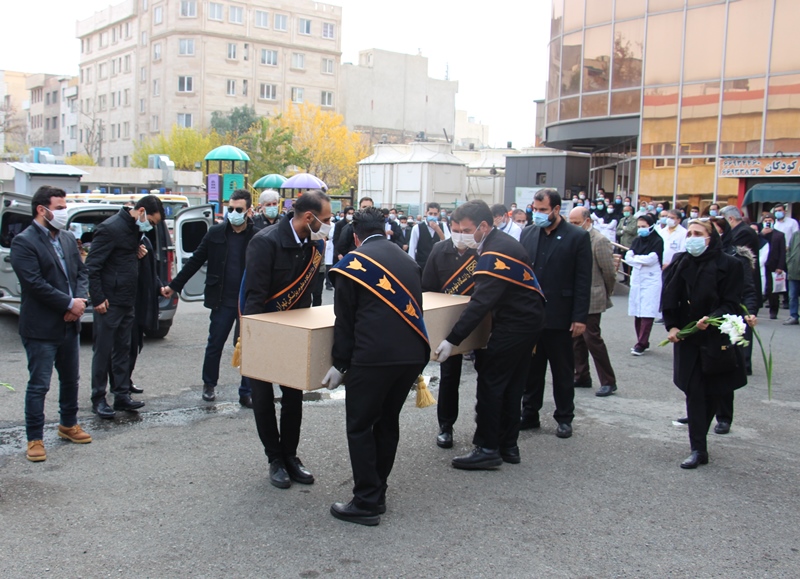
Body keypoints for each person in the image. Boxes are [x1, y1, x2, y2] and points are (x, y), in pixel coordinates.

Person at [322, 207, 429, 526]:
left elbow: (345, 322)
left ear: (355, 236)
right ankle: (377, 491)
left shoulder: (352, 265)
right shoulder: (407, 261)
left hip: (372, 359)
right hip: (411, 356)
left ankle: (366, 501)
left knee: (360, 426)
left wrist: (340, 364)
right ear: (387, 231)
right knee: (387, 423)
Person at [435, 200, 545, 468]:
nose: (462, 234)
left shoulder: (494, 254)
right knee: (511, 385)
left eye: (466, 229)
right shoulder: (501, 243)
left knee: (491, 384)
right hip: (528, 322)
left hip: (514, 325)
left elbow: (480, 303)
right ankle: (508, 445)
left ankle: (486, 448)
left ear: (484, 226)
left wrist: (452, 339)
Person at [243, 189, 331, 489]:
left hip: (296, 332)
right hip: (264, 332)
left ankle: (291, 455)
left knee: (294, 397)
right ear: (309, 217)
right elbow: (253, 296)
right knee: (264, 399)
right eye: (326, 219)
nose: (329, 224)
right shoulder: (265, 242)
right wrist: (252, 339)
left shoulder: (314, 245)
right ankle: (275, 459)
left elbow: (312, 293)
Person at [10, 186, 92, 461]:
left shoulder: (68, 238)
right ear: (41, 210)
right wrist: (69, 305)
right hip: (41, 328)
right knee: (39, 385)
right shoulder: (24, 241)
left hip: (70, 324)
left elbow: (82, 272)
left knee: (70, 379)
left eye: (64, 206)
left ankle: (68, 424)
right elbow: (34, 284)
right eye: (59, 207)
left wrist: (79, 301)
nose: (63, 212)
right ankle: (34, 438)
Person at [662, 219, 746, 469]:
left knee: (712, 391)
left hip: (715, 337)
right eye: (689, 233)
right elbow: (670, 296)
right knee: (694, 390)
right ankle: (698, 448)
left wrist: (712, 319)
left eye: (698, 233)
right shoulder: (682, 261)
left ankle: (700, 443)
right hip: (689, 337)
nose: (692, 238)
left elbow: (732, 301)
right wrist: (673, 326)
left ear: (711, 238)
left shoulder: (730, 265)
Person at [162, 189, 255, 407]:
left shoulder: (258, 236)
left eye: (238, 209)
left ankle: (246, 391)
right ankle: (209, 384)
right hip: (221, 299)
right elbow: (194, 261)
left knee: (249, 347)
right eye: (230, 209)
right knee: (215, 344)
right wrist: (174, 286)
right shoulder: (215, 233)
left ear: (249, 211)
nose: (233, 213)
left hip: (248, 302)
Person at [518, 189, 591, 438]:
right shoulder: (527, 234)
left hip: (561, 316)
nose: (537, 214)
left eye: (542, 210)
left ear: (556, 210)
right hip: (531, 315)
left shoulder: (577, 237)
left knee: (562, 369)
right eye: (534, 210)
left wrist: (580, 317)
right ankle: (529, 413)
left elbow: (583, 280)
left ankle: (564, 417)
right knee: (532, 369)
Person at [86, 195, 163, 418]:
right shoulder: (110, 228)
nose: (151, 227)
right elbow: (93, 266)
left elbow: (124, 259)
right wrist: (98, 298)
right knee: (103, 352)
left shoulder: (135, 231)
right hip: (110, 302)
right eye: (152, 221)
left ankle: (121, 395)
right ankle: (98, 398)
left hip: (128, 300)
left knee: (123, 349)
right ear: (141, 211)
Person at [422, 216, 480, 449]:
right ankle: (446, 426)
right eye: (454, 230)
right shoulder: (440, 250)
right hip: (449, 325)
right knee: (449, 378)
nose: (459, 235)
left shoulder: (482, 251)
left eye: (465, 230)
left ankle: (483, 426)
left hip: (480, 321)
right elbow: (427, 288)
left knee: (486, 378)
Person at [568, 207, 618, 397]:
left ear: (587, 221)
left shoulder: (599, 241)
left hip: (593, 296)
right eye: (570, 222)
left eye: (576, 222)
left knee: (592, 339)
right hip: (576, 296)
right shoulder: (573, 238)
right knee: (576, 339)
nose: (572, 226)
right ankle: (581, 375)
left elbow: (609, 272)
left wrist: (605, 292)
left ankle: (608, 381)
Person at [722, 205, 761, 373]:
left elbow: (736, 255)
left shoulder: (743, 232)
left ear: (730, 219)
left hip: (745, 281)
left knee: (743, 324)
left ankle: (744, 362)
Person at [624, 214, 663, 355]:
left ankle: (641, 343)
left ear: (651, 226)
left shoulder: (658, 240)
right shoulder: (637, 240)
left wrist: (636, 259)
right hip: (637, 279)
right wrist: (637, 260)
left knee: (647, 311)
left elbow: (652, 259)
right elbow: (628, 257)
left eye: (644, 227)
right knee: (637, 311)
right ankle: (642, 341)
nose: (641, 230)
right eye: (639, 227)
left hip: (651, 279)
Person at [407, 201, 450, 270]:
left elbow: (448, 244)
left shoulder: (443, 226)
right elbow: (412, 248)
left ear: (438, 214)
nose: (432, 216)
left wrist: (438, 230)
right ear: (426, 213)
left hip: (438, 264)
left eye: (435, 214)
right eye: (430, 213)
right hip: (422, 264)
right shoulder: (417, 228)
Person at [758, 215, 786, 320]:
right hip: (761, 264)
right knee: (761, 287)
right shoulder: (760, 235)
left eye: (770, 221)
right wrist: (762, 234)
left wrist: (780, 266)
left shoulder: (779, 235)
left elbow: (782, 252)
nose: (768, 222)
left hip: (773, 265)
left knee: (773, 290)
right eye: (766, 221)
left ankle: (773, 310)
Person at [785, 228, 800, 325]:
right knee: (792, 296)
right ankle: (793, 316)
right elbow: (789, 250)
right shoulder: (796, 235)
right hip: (793, 270)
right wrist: (789, 262)